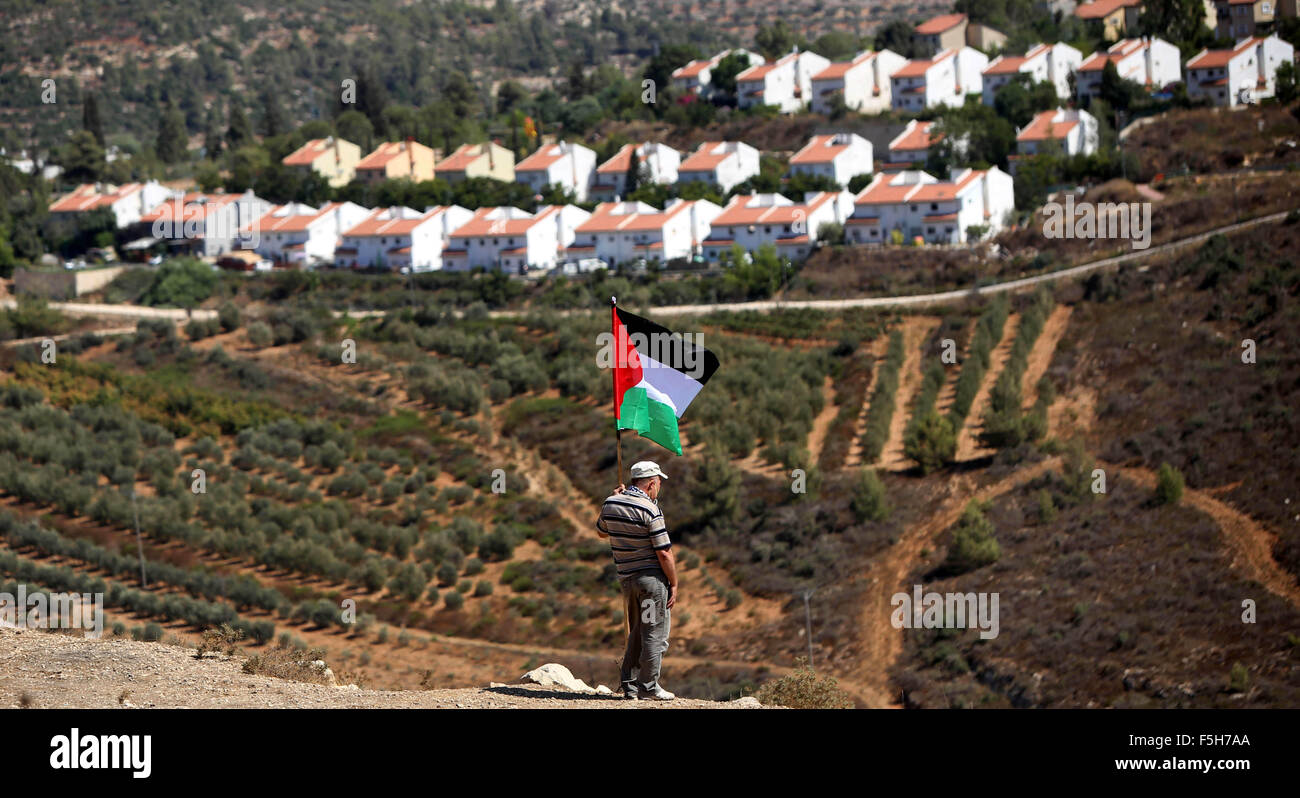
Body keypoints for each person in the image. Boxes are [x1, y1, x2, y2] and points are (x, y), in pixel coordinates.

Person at [595, 460, 678, 700]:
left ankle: (630, 686)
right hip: (650, 583)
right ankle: (649, 687)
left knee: (637, 632)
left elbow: (601, 531)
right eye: (659, 483)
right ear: (651, 483)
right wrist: (674, 583)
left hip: (627, 581)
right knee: (654, 632)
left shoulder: (610, 503)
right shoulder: (650, 509)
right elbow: (664, 552)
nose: (659, 488)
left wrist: (613, 498)